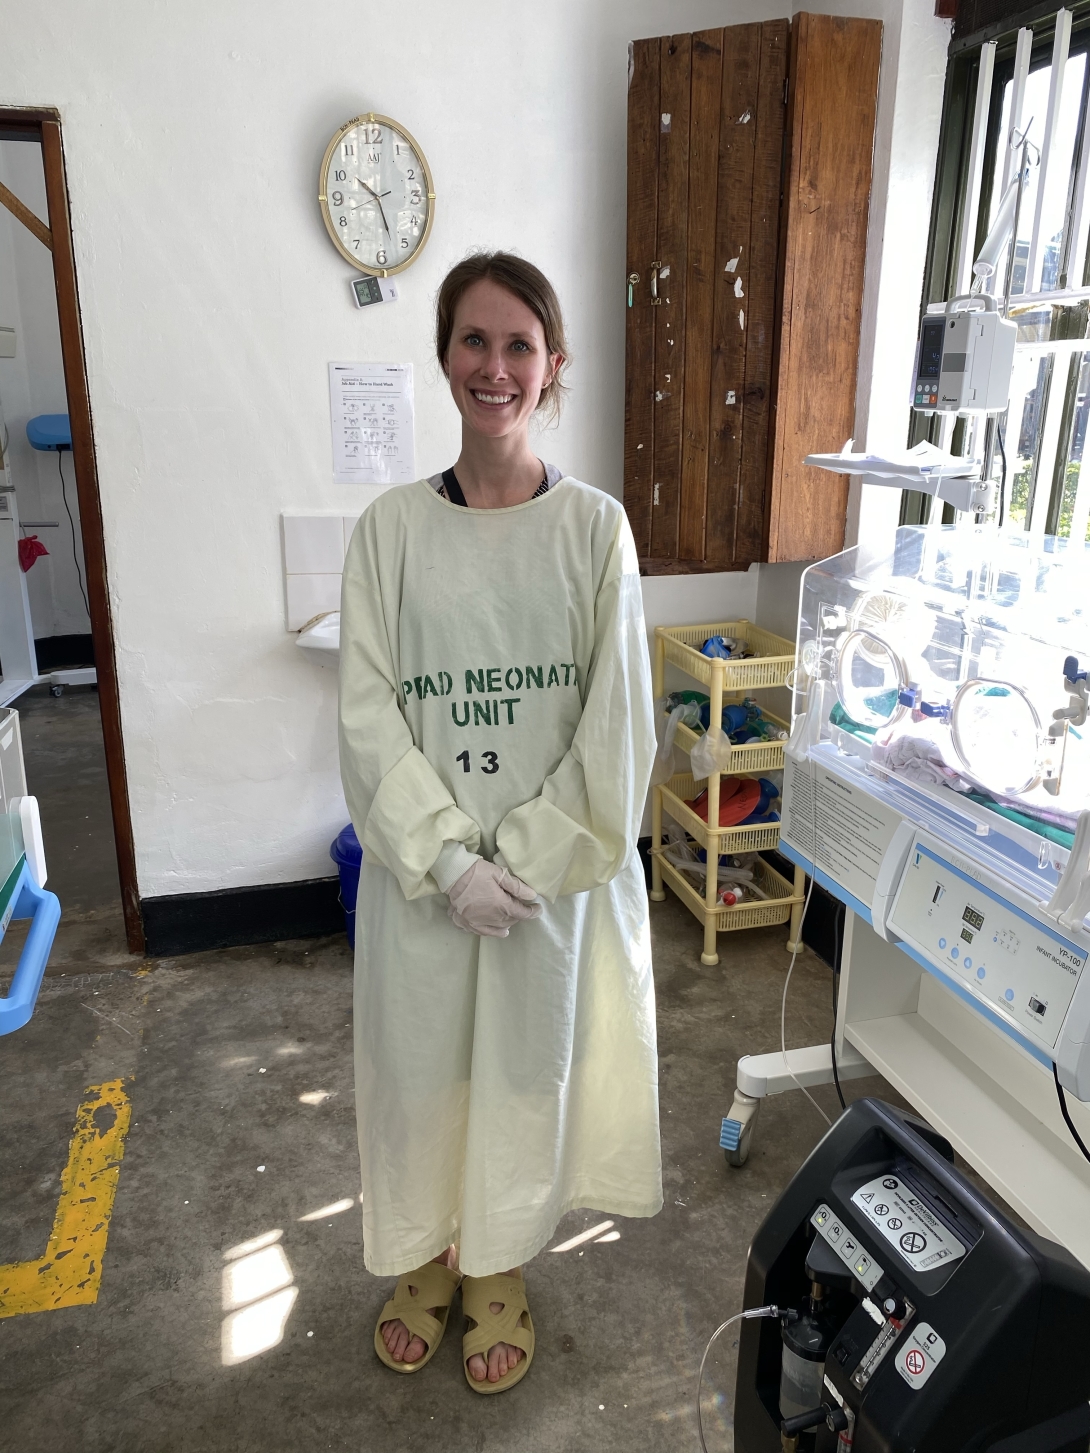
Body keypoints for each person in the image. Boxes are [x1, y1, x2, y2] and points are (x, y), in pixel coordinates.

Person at [338, 250, 661, 1394]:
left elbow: (616, 730)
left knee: (526, 1069)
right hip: (423, 882)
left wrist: (514, 860)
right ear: (443, 357)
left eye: (519, 344)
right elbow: (368, 713)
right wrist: (441, 858)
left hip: (544, 884)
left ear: (554, 367)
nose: (494, 366)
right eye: (473, 340)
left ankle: (502, 1263)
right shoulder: (387, 532)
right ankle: (428, 1255)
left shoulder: (593, 531)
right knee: (423, 1067)